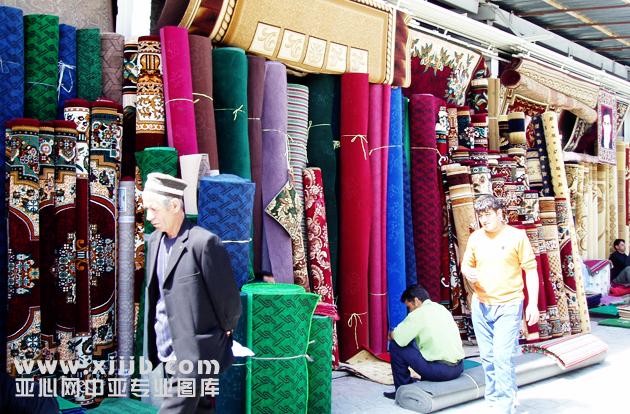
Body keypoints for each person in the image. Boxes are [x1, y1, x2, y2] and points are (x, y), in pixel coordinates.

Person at [143, 172, 242, 414]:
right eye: (147, 209)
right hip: (166, 346)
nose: (149, 216)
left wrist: (226, 329)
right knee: (199, 409)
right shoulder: (154, 241)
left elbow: (227, 297)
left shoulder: (203, 243)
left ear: (174, 205)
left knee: (174, 409)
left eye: (154, 209)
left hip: (195, 351)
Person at [461, 195, 539, 414]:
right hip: (481, 305)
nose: (484, 220)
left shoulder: (516, 236)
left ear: (499, 213)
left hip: (509, 305)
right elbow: (465, 265)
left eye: (488, 214)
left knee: (502, 357)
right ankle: (495, 402)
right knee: (488, 358)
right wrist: (468, 272)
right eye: (480, 216)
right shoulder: (476, 238)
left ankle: (504, 407)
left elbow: (531, 270)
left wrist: (532, 304)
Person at [383, 284, 465, 400]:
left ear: (417, 301)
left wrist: (391, 334)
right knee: (420, 344)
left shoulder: (419, 313)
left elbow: (399, 337)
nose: (410, 311)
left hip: (441, 371)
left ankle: (403, 390)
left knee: (395, 346)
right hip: (458, 368)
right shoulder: (441, 308)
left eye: (409, 307)